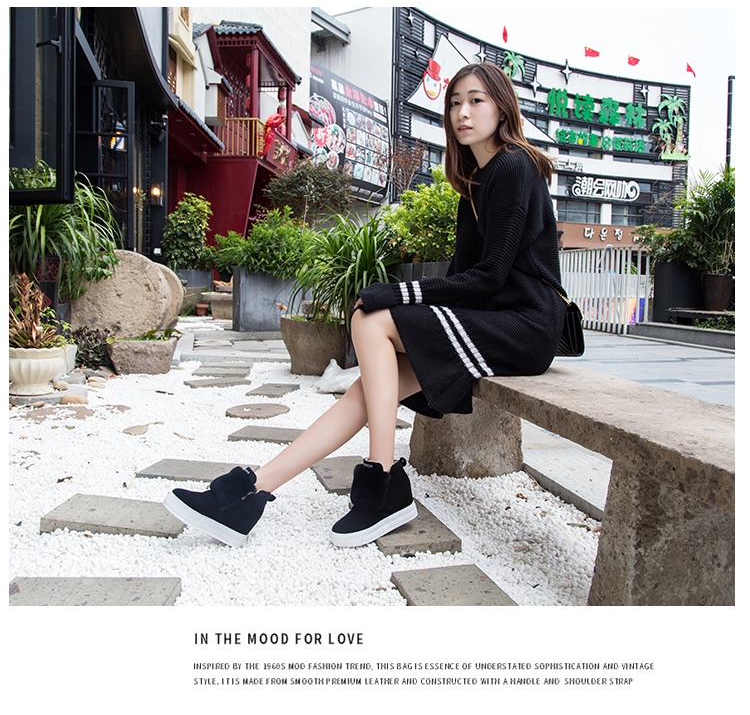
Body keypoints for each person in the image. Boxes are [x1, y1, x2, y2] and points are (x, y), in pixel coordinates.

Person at [163, 62, 567, 549]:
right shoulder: (477, 184)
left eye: (476, 100)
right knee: (366, 390)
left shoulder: (514, 166)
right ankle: (251, 493)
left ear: (501, 107)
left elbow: (490, 276)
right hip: (489, 321)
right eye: (455, 102)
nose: (463, 112)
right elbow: (464, 280)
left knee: (372, 319)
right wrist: (397, 297)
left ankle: (383, 479)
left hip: (524, 325)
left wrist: (396, 294)